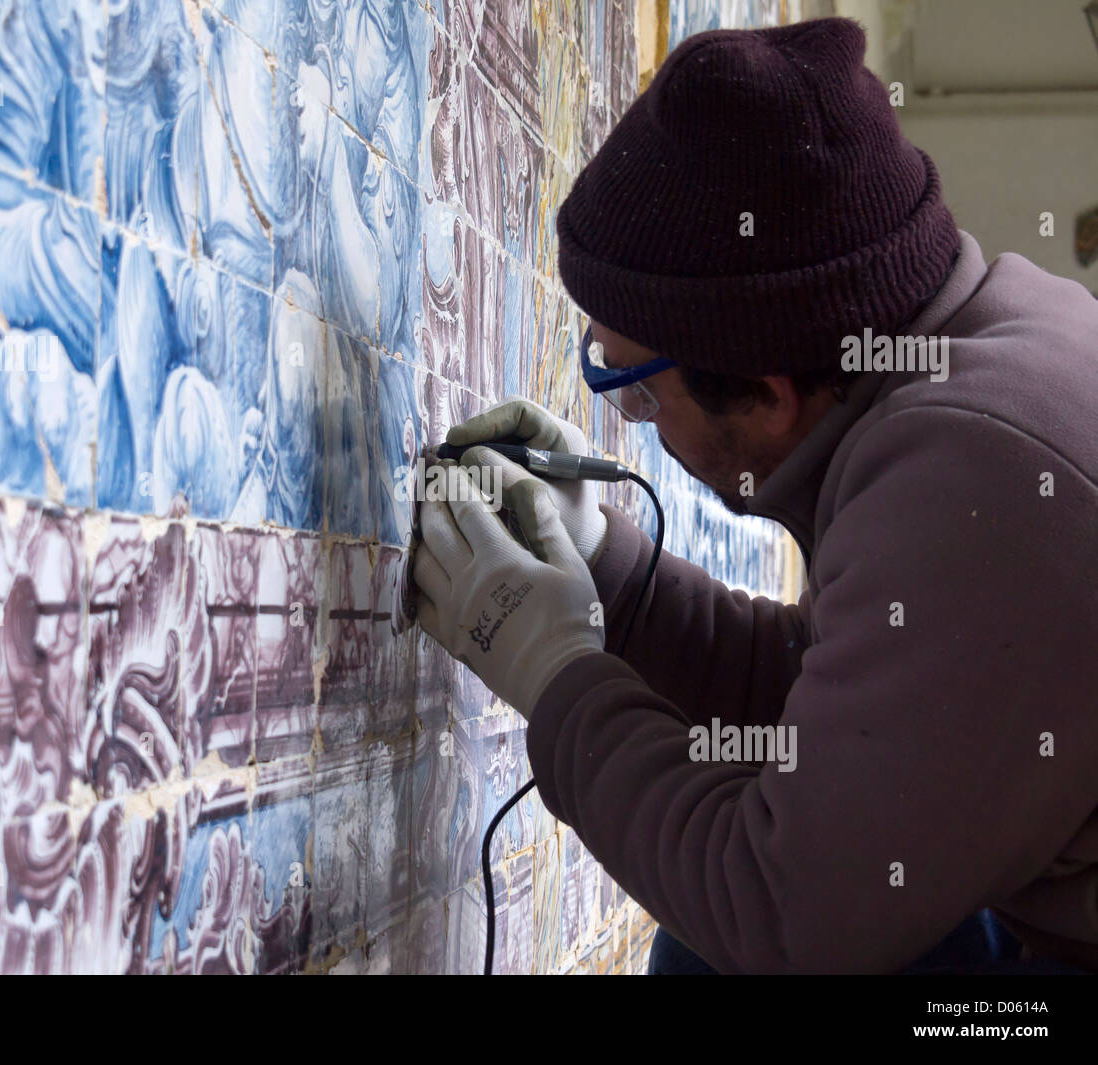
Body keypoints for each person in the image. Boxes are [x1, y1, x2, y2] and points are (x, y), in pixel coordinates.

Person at [411, 17, 1098, 974]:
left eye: (636, 389)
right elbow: (865, 724)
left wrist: (555, 675)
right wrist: (621, 577)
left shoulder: (986, 489)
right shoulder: (973, 363)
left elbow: (776, 916)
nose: (632, 422)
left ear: (770, 396)